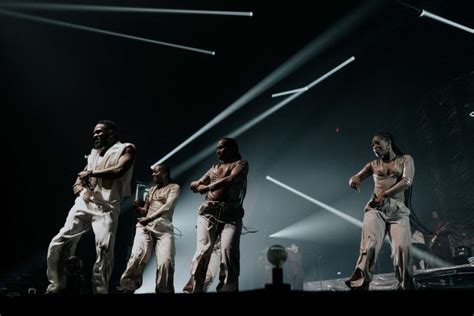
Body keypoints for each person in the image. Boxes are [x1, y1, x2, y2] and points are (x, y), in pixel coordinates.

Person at [46, 120, 135, 294]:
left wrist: (91, 173)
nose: (94, 135)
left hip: (107, 207)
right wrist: (78, 186)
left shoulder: (126, 148)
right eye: (94, 132)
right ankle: (57, 285)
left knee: (104, 249)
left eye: (99, 132)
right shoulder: (95, 152)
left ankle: (100, 291)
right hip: (85, 202)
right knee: (59, 242)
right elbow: (81, 176)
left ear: (111, 133)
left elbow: (119, 170)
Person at [345, 132, 415, 290]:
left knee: (402, 249)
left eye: (377, 143)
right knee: (369, 246)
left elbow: (407, 181)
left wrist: (384, 194)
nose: (375, 148)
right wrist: (354, 180)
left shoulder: (405, 160)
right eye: (372, 146)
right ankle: (360, 285)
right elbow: (356, 176)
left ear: (388, 143)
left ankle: (406, 286)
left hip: (398, 210)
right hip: (375, 210)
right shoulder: (373, 164)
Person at [183, 137, 248, 293]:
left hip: (231, 213)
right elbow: (195, 184)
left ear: (232, 148)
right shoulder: (214, 167)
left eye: (222, 147)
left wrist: (207, 187)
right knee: (203, 250)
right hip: (208, 212)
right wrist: (198, 185)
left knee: (228, 250)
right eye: (217, 148)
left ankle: (228, 288)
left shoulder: (241, 164)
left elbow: (231, 178)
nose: (218, 151)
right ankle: (196, 287)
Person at [118, 165, 180, 293]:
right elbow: (145, 211)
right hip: (145, 227)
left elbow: (168, 206)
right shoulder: (152, 189)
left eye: (156, 172)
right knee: (137, 255)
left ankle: (164, 290)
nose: (153, 174)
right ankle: (128, 286)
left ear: (165, 173)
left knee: (166, 260)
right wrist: (138, 208)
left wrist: (149, 218)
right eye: (152, 172)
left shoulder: (174, 188)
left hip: (163, 228)